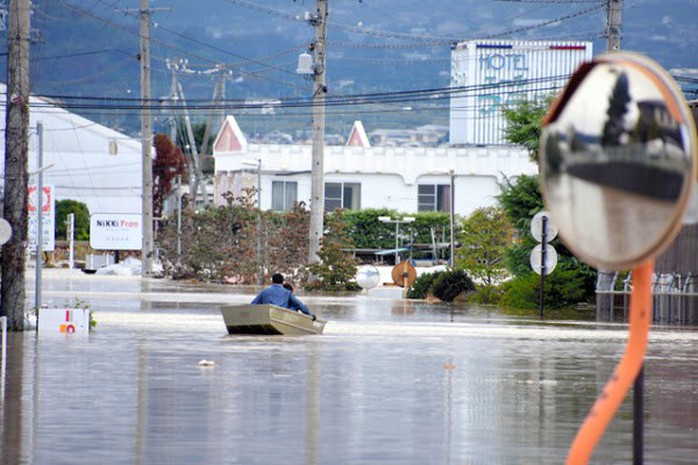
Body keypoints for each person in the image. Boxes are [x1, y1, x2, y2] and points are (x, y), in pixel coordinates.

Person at [251, 273, 316, 320]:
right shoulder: (287, 293)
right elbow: (299, 305)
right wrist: (309, 315)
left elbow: (252, 305)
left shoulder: (264, 291)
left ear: (272, 282)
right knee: (295, 307)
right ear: (282, 282)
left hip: (266, 316)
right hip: (281, 317)